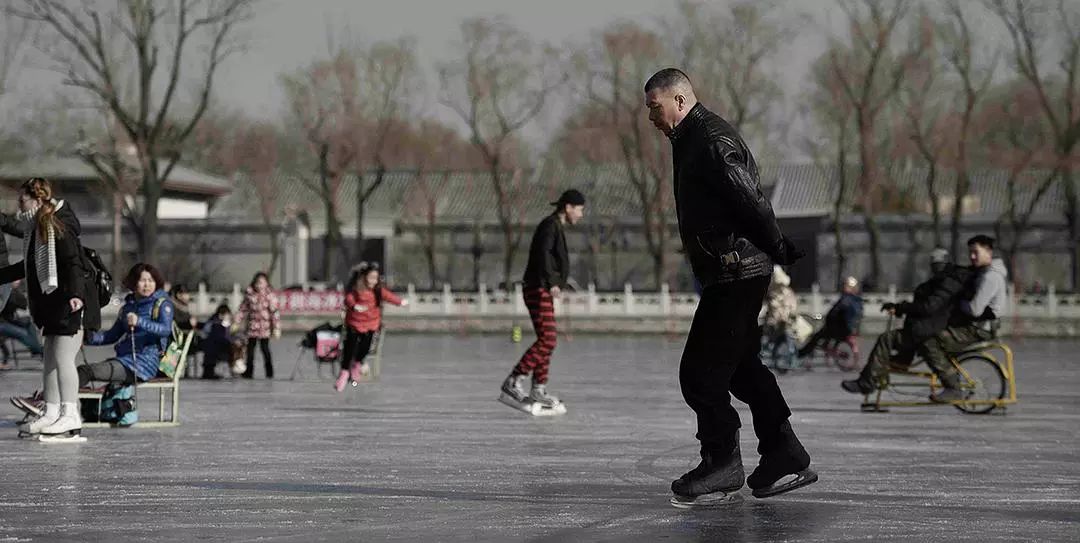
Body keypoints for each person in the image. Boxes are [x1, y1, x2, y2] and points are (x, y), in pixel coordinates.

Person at [643, 68, 814, 505]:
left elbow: (750, 198)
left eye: (654, 107)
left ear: (679, 101)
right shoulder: (691, 139)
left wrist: (775, 242)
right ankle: (784, 450)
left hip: (736, 271)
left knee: (699, 375)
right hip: (732, 269)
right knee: (739, 368)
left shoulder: (709, 140)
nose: (650, 117)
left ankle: (722, 463)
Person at [0, 178, 99, 442]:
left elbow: (73, 262)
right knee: (50, 360)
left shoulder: (57, 222)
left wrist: (76, 296)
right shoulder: (37, 227)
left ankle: (70, 414)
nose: (19, 207)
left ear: (38, 199)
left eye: (22, 201)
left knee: (64, 359)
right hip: (53, 303)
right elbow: (28, 266)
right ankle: (51, 411)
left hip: (70, 302)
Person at [841, 248, 972, 398]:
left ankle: (868, 381)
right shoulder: (944, 280)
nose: (935, 267)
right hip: (927, 326)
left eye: (937, 264)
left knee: (887, 338)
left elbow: (929, 307)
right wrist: (900, 308)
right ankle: (900, 361)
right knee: (902, 335)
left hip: (932, 328)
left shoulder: (947, 282)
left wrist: (902, 308)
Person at [499, 189, 585, 411]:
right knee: (548, 339)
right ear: (568, 207)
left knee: (547, 339)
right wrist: (552, 282)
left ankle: (538, 388)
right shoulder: (550, 226)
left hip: (542, 288)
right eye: (580, 209)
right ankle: (513, 380)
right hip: (538, 288)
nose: (581, 214)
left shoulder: (555, 226)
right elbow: (543, 254)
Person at [921, 236, 1007, 402]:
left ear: (988, 251)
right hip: (979, 326)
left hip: (979, 330)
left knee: (928, 340)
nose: (972, 257)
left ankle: (952, 387)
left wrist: (957, 303)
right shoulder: (984, 272)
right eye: (970, 253)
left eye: (976, 252)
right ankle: (955, 381)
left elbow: (975, 310)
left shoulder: (990, 277)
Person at [81, 263, 173, 390]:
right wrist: (87, 337)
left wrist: (139, 321)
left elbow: (165, 330)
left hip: (144, 363)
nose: (147, 285)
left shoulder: (162, 304)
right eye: (142, 280)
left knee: (85, 372)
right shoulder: (128, 307)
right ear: (134, 283)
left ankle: (59, 403)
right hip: (124, 359)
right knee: (83, 373)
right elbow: (111, 336)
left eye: (151, 281)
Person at [335, 263, 408, 392]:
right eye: (371, 278)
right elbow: (348, 299)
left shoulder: (378, 290)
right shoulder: (356, 289)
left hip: (371, 324)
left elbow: (389, 296)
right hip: (354, 322)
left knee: (365, 347)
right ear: (364, 277)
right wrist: (354, 306)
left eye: (375, 278)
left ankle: (357, 364)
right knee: (349, 347)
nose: (373, 281)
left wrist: (400, 302)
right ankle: (344, 373)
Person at [798, 276, 864, 359]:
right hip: (852, 329)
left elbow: (835, 312)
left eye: (846, 286)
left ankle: (801, 353)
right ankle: (827, 348)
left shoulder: (846, 299)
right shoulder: (857, 299)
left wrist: (829, 319)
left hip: (841, 329)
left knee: (816, 337)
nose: (844, 287)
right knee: (826, 334)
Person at [238, 272, 281, 379]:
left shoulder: (270, 295)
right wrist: (236, 321)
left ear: (266, 283)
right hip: (252, 326)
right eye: (257, 283)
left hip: (264, 327)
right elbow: (242, 309)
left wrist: (276, 328)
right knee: (250, 351)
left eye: (261, 283)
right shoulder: (250, 294)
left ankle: (269, 372)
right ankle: (249, 372)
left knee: (265, 349)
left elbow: (275, 312)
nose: (259, 285)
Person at [761, 266, 799, 368]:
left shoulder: (788, 292)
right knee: (775, 341)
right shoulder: (772, 293)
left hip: (785, 321)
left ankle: (792, 360)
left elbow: (792, 306)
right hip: (773, 321)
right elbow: (768, 308)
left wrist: (791, 315)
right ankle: (774, 358)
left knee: (786, 340)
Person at [0, 281, 44, 364]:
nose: (17, 282)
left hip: (9, 321)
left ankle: (36, 349)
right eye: (14, 280)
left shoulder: (14, 291)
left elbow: (24, 304)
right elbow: (8, 304)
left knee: (29, 324)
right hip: (2, 323)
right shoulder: (4, 291)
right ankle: (39, 350)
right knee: (22, 333)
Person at [200, 304, 235, 380]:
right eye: (227, 315)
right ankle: (226, 372)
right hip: (218, 349)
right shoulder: (218, 324)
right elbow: (226, 337)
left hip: (210, 348)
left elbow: (204, 334)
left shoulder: (212, 322)